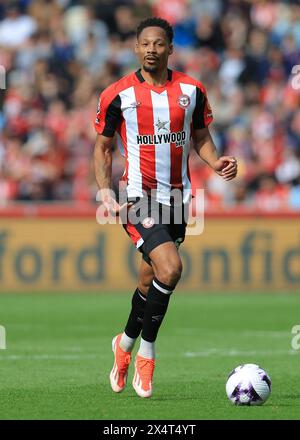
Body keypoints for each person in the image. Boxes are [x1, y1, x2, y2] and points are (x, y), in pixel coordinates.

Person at [93, 17, 238, 398]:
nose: (152, 49)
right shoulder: (118, 94)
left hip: (177, 199)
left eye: (160, 43)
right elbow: (103, 147)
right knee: (171, 268)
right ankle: (147, 354)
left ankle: (123, 344)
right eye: (146, 44)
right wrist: (105, 191)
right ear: (136, 48)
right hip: (138, 197)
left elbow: (201, 137)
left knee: (148, 280)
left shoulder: (191, 90)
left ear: (170, 48)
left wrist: (216, 161)